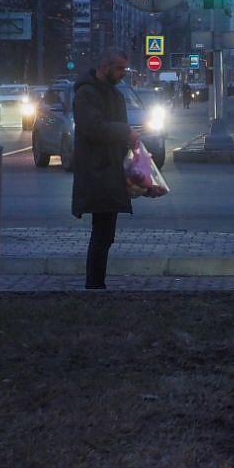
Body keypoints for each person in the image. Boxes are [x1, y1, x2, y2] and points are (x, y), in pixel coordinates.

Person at [71, 47, 139, 289]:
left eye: (124, 68)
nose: (123, 73)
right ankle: (95, 286)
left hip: (111, 171)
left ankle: (97, 285)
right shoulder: (86, 94)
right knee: (101, 234)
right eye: (119, 68)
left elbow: (115, 128)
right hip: (96, 172)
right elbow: (94, 127)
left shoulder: (114, 94)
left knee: (105, 234)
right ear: (104, 67)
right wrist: (125, 133)